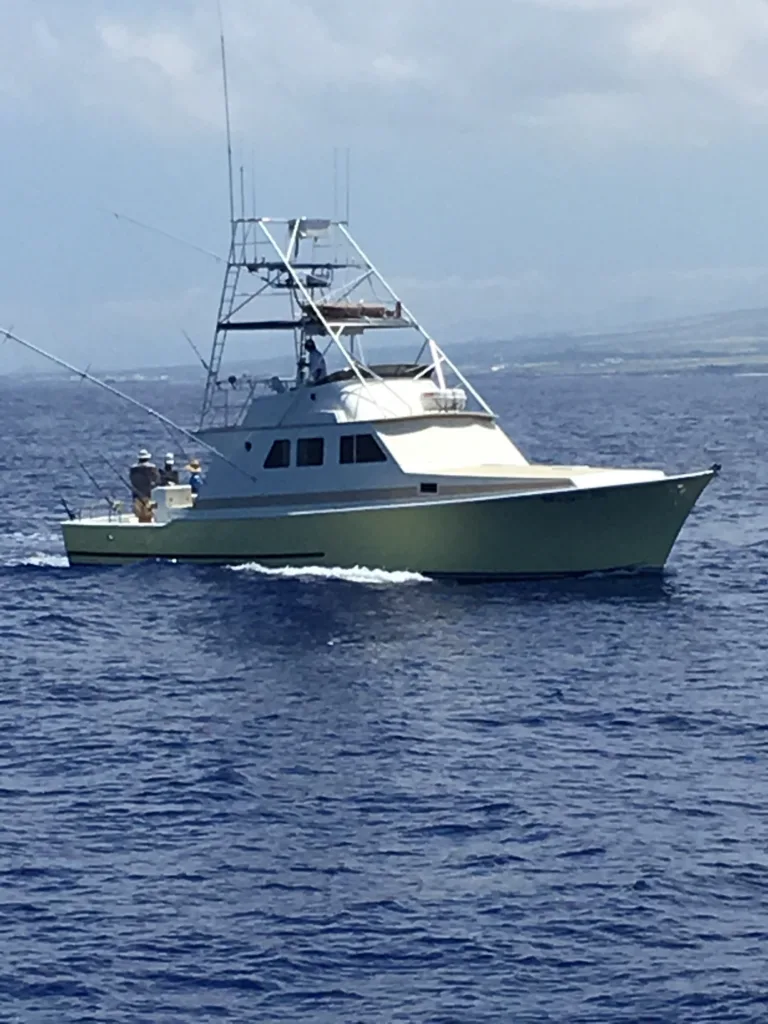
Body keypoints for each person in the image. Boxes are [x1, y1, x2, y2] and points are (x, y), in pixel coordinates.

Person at [129, 448, 159, 523]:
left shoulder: (133, 469)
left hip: (137, 497)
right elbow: (157, 480)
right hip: (149, 496)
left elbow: (132, 481)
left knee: (140, 516)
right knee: (148, 515)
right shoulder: (152, 468)